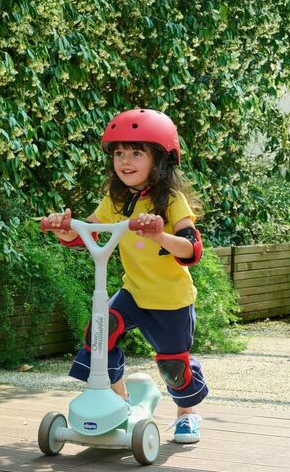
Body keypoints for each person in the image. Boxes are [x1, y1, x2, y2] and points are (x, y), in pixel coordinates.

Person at [43, 108, 208, 444]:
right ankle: (119, 402)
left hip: (170, 300)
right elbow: (89, 232)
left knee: (173, 365)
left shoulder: (171, 201)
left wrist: (159, 235)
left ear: (159, 160)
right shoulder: (115, 201)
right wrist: (66, 229)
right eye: (119, 153)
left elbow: (191, 249)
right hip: (132, 292)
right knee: (99, 335)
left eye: (136, 153)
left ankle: (186, 414)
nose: (125, 161)